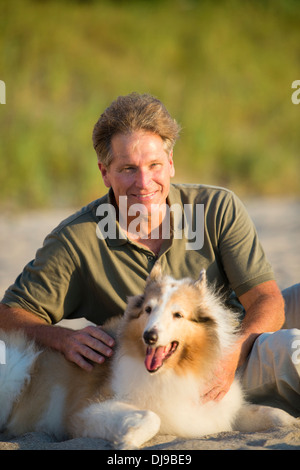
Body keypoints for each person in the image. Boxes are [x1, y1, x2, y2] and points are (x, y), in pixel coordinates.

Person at [0, 93, 299, 413]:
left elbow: (267, 300)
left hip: (238, 342)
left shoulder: (217, 207)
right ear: (104, 173)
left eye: (154, 165)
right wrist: (61, 338)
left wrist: (232, 354)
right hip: (184, 369)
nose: (144, 183)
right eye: (128, 168)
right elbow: (8, 316)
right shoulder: (76, 240)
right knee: (292, 351)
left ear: (170, 164)